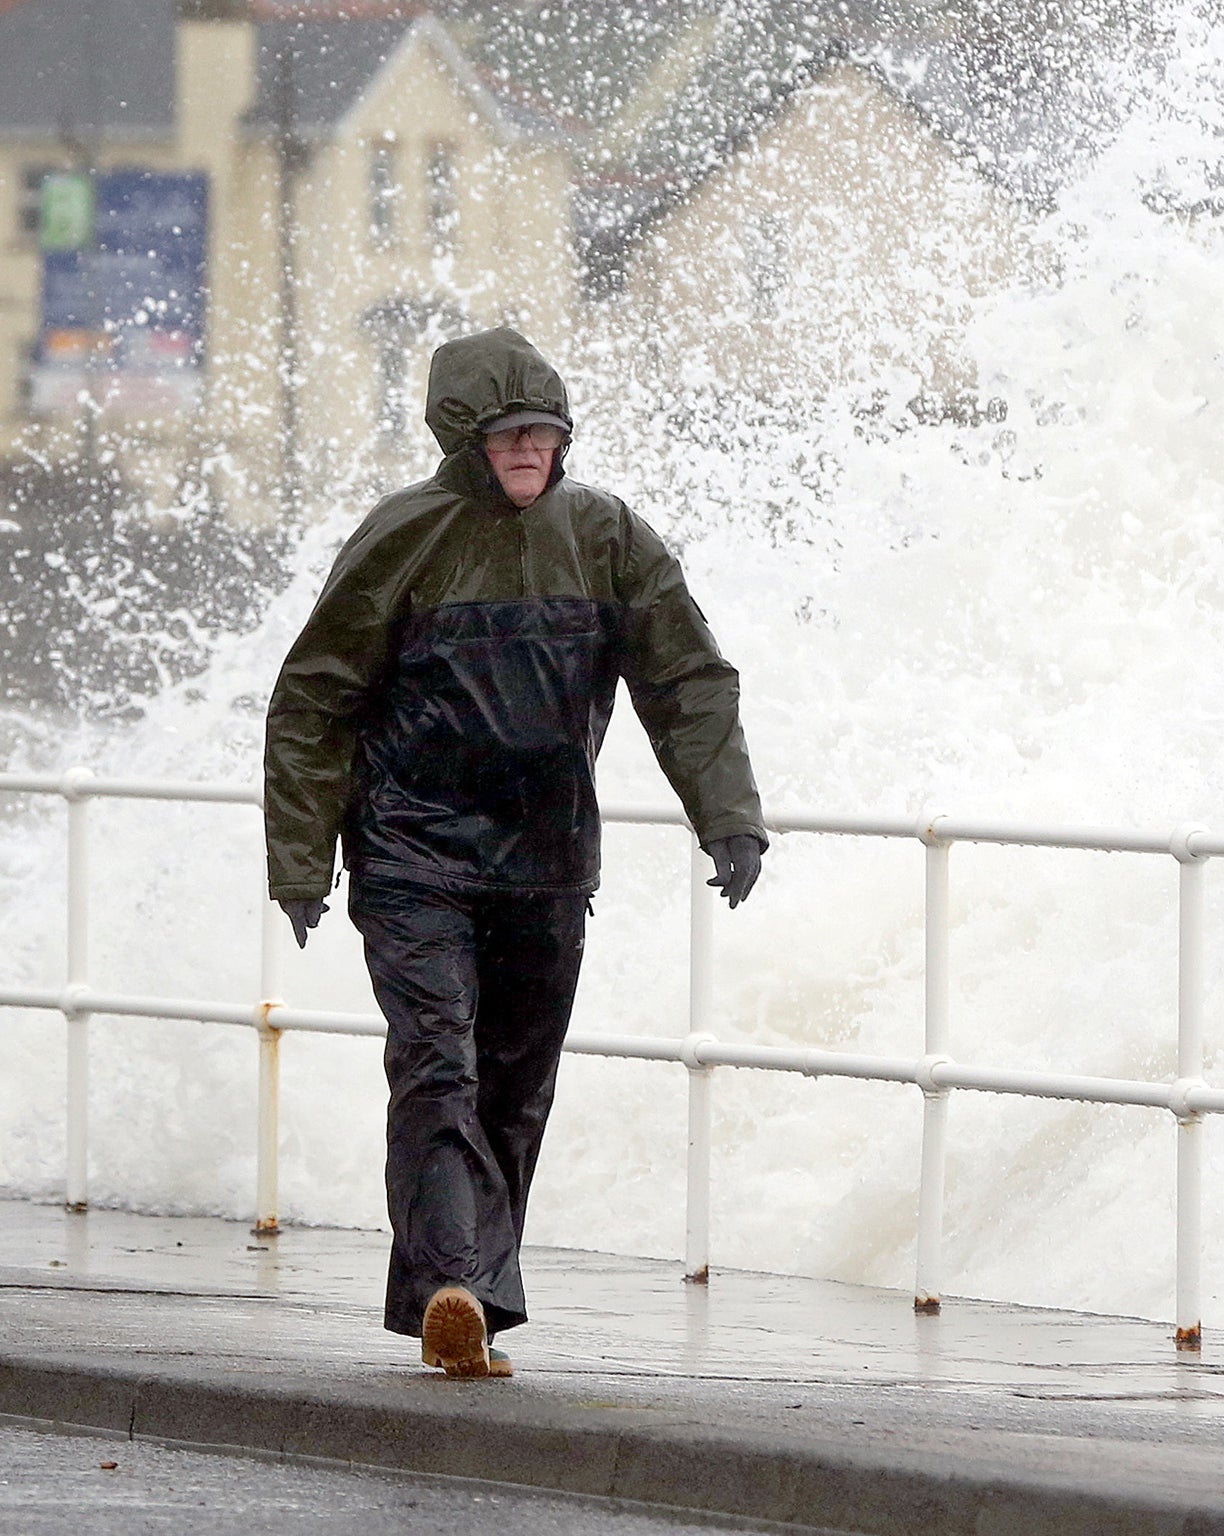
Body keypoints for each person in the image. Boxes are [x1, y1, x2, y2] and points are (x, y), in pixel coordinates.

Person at [263, 327, 767, 1379]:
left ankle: (464, 1305)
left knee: (512, 1088)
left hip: (546, 861)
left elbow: (685, 680)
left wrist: (726, 816)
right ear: (465, 439)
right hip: (412, 855)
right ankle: (456, 1286)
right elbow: (314, 697)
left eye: (543, 431)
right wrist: (303, 859)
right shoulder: (403, 535)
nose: (529, 449)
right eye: (507, 434)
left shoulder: (607, 535)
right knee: (435, 1066)